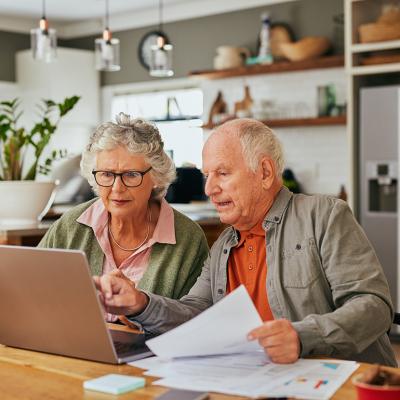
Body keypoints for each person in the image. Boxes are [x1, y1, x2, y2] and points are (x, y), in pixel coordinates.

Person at [94, 118, 396, 366]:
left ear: (264, 172)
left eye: (222, 173)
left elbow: (374, 307)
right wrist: (140, 304)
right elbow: (195, 314)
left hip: (341, 383)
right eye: (206, 175)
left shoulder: (324, 216)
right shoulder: (224, 243)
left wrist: (303, 336)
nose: (210, 189)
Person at [39, 113, 209, 322]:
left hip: (151, 353)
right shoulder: (70, 225)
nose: (117, 188)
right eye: (107, 175)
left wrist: (142, 306)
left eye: (131, 175)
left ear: (156, 176)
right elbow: (32, 287)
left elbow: (194, 319)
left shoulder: (187, 238)